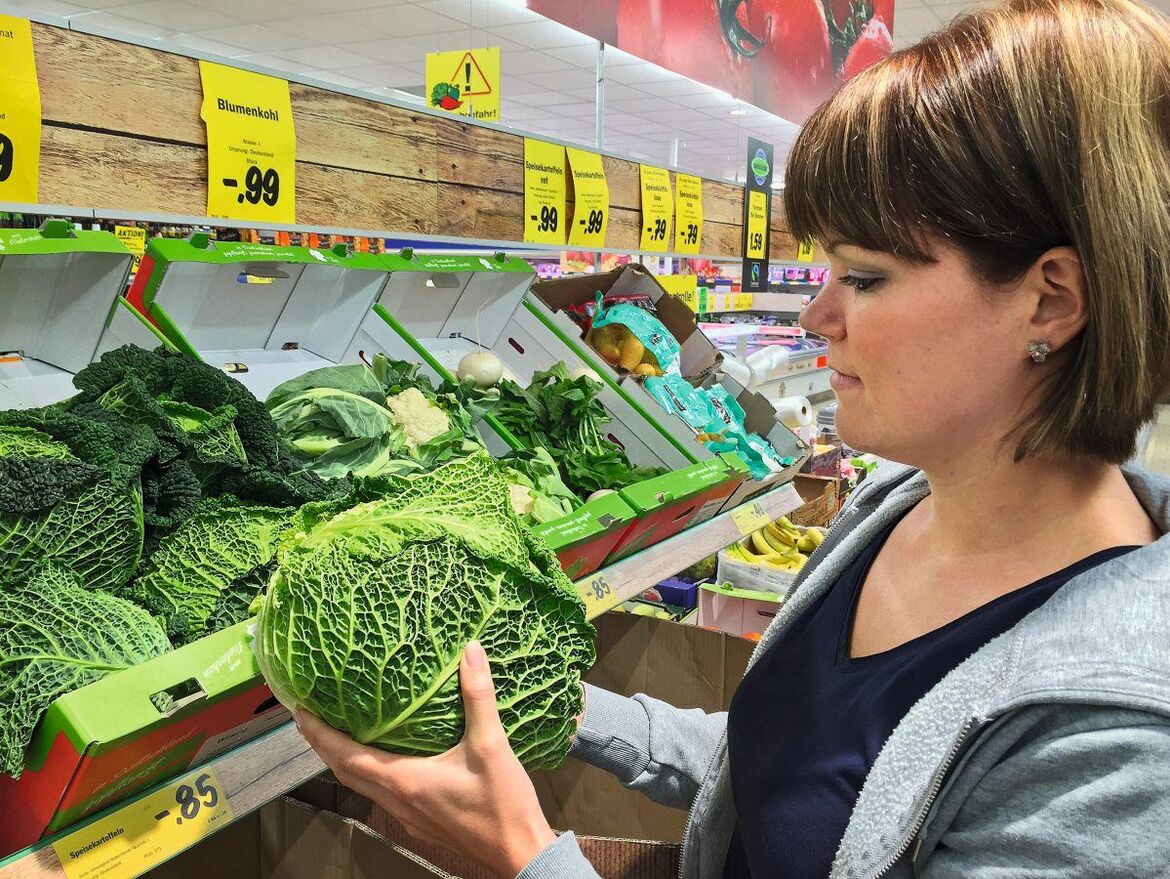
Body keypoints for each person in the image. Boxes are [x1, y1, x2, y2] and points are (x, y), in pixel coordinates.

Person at [294, 0, 1170, 875]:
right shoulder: (896, 504)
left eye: (866, 277)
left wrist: (523, 855)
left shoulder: (1115, 743)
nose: (821, 316)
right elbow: (794, 771)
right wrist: (551, 705)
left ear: (1050, 300)